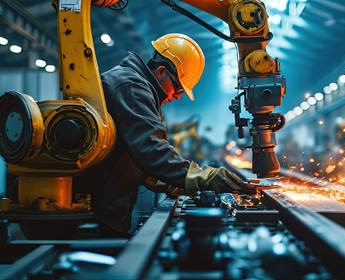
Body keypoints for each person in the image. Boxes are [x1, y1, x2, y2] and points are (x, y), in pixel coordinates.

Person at [73, 33, 253, 235]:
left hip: (101, 206)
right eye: (178, 89)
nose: (176, 96)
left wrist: (176, 185)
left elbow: (136, 157)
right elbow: (150, 150)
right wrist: (204, 177)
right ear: (161, 71)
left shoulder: (139, 88)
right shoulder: (131, 86)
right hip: (92, 211)